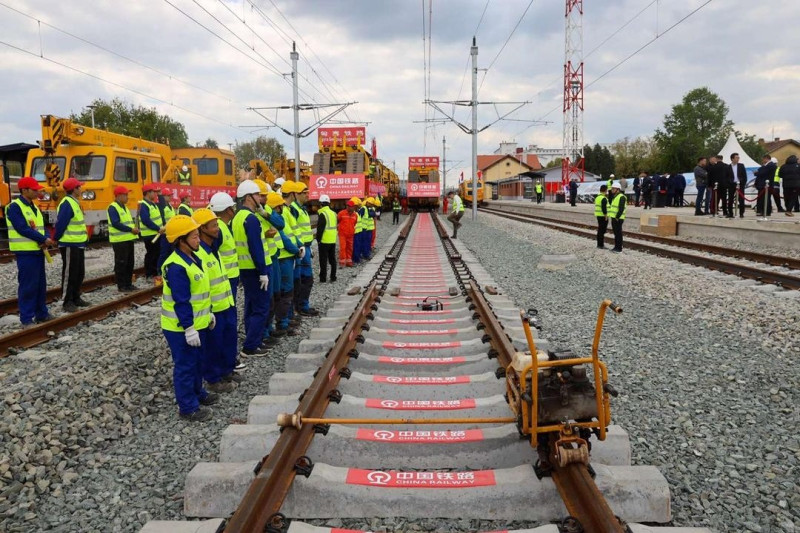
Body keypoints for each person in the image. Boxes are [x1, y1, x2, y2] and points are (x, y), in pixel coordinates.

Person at [160, 215, 217, 422]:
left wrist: (207, 313)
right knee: (185, 365)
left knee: (197, 361)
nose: (198, 240)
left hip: (197, 322)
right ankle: (188, 407)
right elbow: (181, 301)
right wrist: (189, 328)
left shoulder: (194, 258)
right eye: (193, 237)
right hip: (179, 327)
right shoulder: (176, 267)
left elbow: (199, 293)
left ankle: (198, 393)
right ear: (180, 240)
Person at [192, 208, 240, 393]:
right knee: (213, 345)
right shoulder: (200, 254)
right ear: (202, 228)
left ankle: (227, 370)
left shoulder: (213, 250)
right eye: (213, 226)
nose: (217, 228)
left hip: (226, 304)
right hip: (214, 308)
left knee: (228, 338)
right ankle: (213, 379)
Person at [7, 177, 54, 327]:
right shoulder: (14, 207)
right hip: (26, 252)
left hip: (37, 251)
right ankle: (26, 319)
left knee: (40, 284)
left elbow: (41, 226)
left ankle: (41, 313)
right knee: (28, 285)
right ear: (24, 190)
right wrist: (43, 239)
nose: (37, 192)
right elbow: (23, 228)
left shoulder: (34, 207)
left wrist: (45, 237)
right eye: (34, 190)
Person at [231, 180, 271, 357]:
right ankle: (251, 346)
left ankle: (252, 339)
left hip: (245, 269)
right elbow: (256, 248)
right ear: (248, 198)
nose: (260, 198)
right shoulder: (251, 219)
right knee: (261, 308)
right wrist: (263, 271)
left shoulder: (237, 218)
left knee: (250, 305)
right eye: (257, 195)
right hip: (256, 270)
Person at [54, 178, 89, 312]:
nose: (81, 189)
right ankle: (67, 300)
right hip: (70, 243)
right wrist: (56, 238)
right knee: (70, 273)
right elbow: (61, 223)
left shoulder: (74, 202)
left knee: (79, 272)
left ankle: (75, 297)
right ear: (74, 189)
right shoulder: (67, 203)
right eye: (79, 187)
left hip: (78, 243)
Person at [286, 181, 318, 317]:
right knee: (304, 279)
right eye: (304, 193)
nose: (307, 195)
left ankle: (301, 306)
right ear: (296, 194)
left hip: (305, 247)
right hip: (300, 249)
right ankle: (300, 306)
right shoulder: (293, 209)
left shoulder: (301, 209)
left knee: (305, 279)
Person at [276, 184, 303, 333]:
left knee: (290, 288)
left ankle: (288, 318)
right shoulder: (281, 212)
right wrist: (296, 249)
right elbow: (284, 235)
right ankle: (283, 323)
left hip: (290, 254)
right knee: (286, 290)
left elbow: (291, 232)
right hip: (284, 256)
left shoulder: (285, 210)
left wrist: (299, 246)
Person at [107, 186, 139, 292]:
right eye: (125, 195)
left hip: (128, 239)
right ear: (119, 196)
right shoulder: (113, 207)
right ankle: (122, 285)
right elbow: (115, 223)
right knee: (121, 263)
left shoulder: (124, 207)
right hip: (119, 240)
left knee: (130, 263)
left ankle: (128, 284)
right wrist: (131, 229)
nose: (127, 197)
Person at [138, 183, 165, 280]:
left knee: (156, 254)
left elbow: (163, 206)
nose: (155, 194)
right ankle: (149, 274)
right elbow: (146, 220)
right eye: (153, 192)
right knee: (151, 255)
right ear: (148, 193)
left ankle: (154, 273)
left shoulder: (152, 204)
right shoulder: (144, 205)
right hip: (150, 235)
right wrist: (158, 228)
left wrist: (160, 195)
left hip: (156, 234)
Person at [315, 194, 337, 283]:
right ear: (329, 203)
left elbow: (320, 229)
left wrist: (318, 239)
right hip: (333, 240)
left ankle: (323, 278)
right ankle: (333, 276)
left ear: (321, 204)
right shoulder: (334, 213)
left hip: (324, 241)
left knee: (323, 260)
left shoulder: (322, 214)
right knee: (332, 259)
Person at [156, 189, 177, 280]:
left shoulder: (170, 206)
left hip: (171, 233)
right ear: (164, 197)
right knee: (164, 253)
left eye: (170, 195)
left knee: (170, 252)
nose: (170, 197)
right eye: (168, 196)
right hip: (165, 234)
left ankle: (168, 269)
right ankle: (159, 270)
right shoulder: (162, 207)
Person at [726, 153, 748, 218]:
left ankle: (741, 213)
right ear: (732, 159)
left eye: (738, 157)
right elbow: (726, 177)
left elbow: (744, 176)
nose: (738, 159)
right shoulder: (728, 167)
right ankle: (730, 213)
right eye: (736, 157)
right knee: (730, 199)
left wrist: (742, 183)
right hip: (732, 184)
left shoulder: (741, 166)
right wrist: (729, 183)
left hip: (740, 184)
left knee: (741, 199)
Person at [338, 200, 358, 267]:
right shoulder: (341, 213)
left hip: (350, 234)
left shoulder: (355, 215)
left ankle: (349, 261)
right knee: (343, 248)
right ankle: (342, 262)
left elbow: (355, 223)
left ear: (353, 207)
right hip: (342, 234)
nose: (350, 208)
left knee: (349, 248)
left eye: (351, 207)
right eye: (348, 206)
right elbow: (338, 220)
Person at [608, 181, 626, 253]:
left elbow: (621, 209)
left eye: (613, 189)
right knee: (616, 233)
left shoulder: (621, 197)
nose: (612, 190)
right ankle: (616, 247)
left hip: (618, 218)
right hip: (614, 217)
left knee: (618, 233)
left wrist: (617, 217)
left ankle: (619, 248)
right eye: (612, 189)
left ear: (618, 189)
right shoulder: (615, 197)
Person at [594, 184, 609, 249]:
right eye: (606, 190)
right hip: (603, 216)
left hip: (598, 215)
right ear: (605, 190)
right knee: (602, 231)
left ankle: (599, 244)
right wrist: (606, 216)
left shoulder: (597, 197)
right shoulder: (604, 198)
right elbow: (604, 208)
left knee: (600, 230)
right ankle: (601, 245)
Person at [351, 197, 364, 265]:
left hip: (358, 232)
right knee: (356, 245)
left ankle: (357, 257)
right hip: (355, 233)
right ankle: (356, 258)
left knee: (357, 245)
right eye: (357, 205)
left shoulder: (356, 213)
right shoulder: (353, 213)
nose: (359, 207)